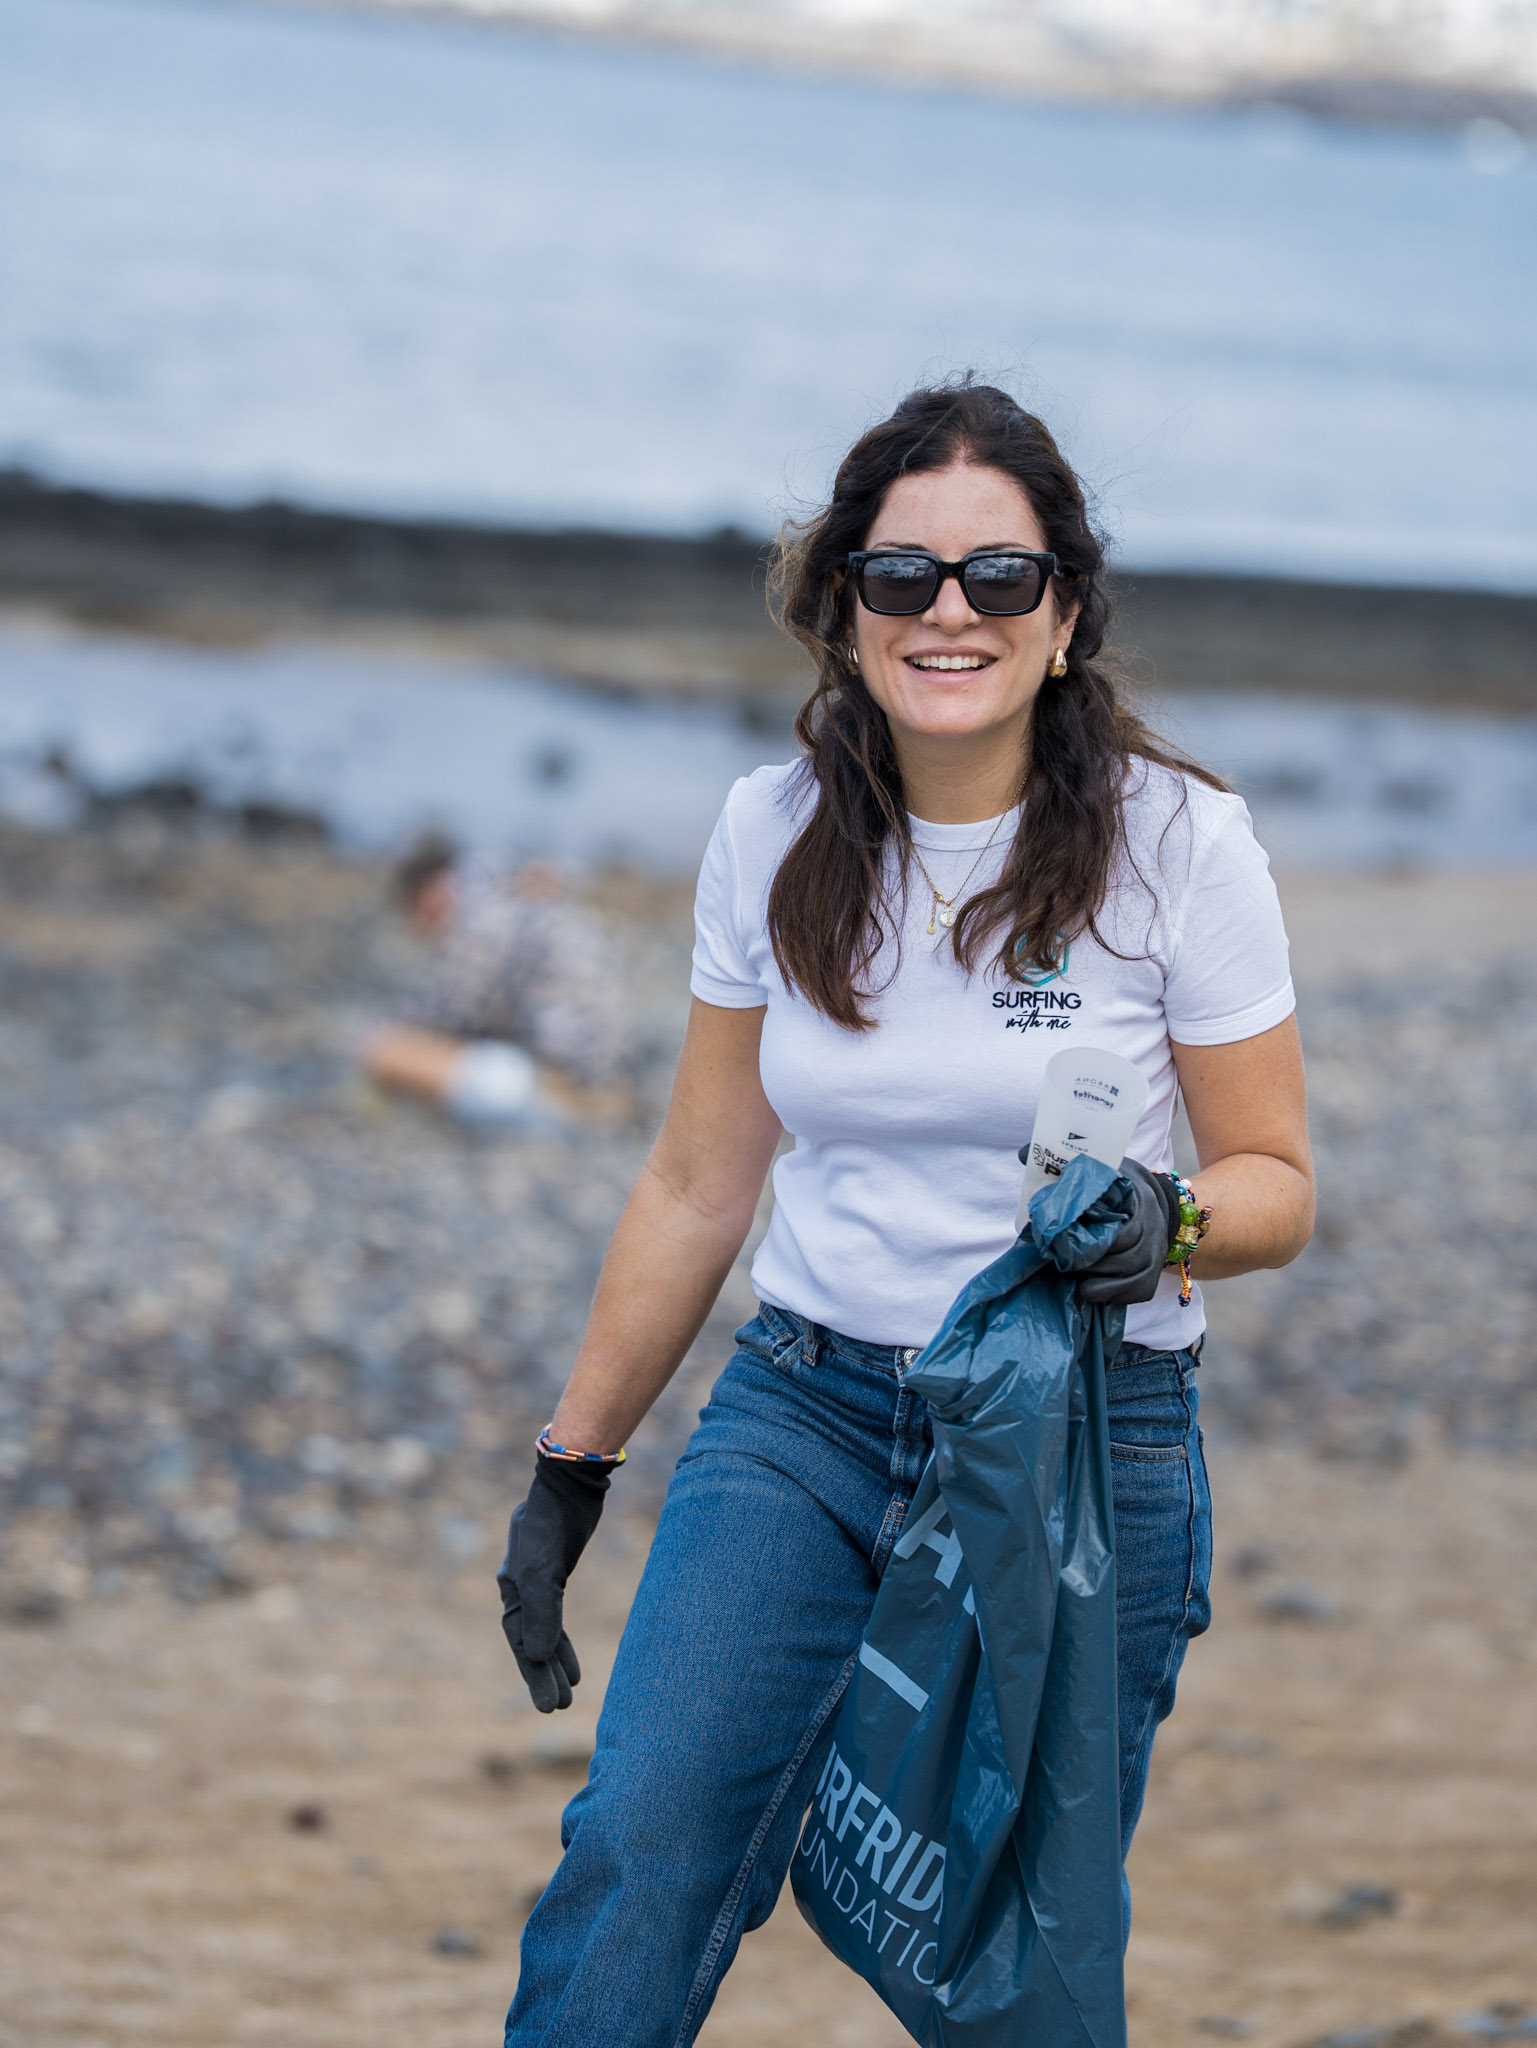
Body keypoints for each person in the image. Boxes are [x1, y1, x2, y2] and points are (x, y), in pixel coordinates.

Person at [496, 382, 1314, 2045]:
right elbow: (696, 1180)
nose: (949, 610)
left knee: (1007, 1951)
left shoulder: (1178, 842)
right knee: (640, 1846)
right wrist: (572, 1460)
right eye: (900, 574)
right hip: (805, 1414)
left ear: (1063, 615)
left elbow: (1275, 1188)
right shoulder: (770, 828)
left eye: (998, 575)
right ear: (845, 609)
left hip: (1076, 1441)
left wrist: (1156, 1224)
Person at [361, 834, 630, 1125]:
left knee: (383, 1050)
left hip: (557, 1088)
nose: (413, 929)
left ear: (426, 897)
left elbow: (446, 1019)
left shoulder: (477, 925)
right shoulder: (507, 902)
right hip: (594, 1071)